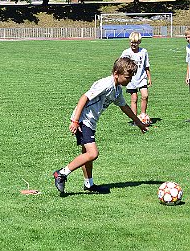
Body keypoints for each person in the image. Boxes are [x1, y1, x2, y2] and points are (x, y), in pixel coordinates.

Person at [53, 57, 149, 194]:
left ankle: (89, 184)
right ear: (116, 73)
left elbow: (124, 107)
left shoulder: (116, 90)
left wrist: (138, 122)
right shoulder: (106, 84)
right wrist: (75, 120)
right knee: (93, 153)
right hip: (83, 121)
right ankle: (61, 173)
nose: (129, 80)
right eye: (127, 77)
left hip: (90, 122)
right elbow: (84, 97)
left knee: (87, 154)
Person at [121, 32, 152, 120]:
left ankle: (143, 115)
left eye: (136, 42)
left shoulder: (144, 52)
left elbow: (146, 66)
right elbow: (121, 65)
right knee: (134, 98)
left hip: (142, 78)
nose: (134, 44)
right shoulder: (126, 53)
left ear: (139, 42)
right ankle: (135, 119)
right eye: (132, 42)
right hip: (131, 79)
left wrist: (149, 77)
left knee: (145, 95)